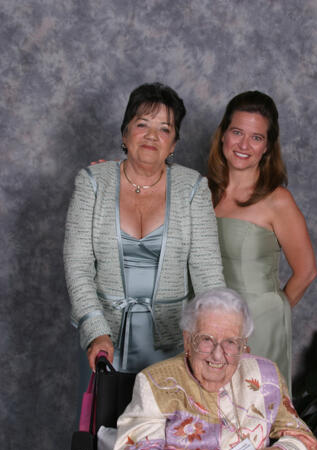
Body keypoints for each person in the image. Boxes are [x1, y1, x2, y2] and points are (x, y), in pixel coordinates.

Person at [113, 288, 317, 450]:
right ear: (188, 341)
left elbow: (302, 438)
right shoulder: (155, 381)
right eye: (206, 340)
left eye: (231, 342)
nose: (218, 355)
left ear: (244, 344)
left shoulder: (265, 377)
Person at [63, 82, 225, 389]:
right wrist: (95, 330)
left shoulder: (192, 188)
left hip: (172, 344)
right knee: (103, 428)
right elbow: (78, 266)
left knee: (167, 432)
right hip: (104, 343)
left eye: (165, 128)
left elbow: (208, 274)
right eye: (142, 124)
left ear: (174, 143)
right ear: (125, 134)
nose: (152, 136)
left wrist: (219, 332)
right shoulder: (92, 183)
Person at [208, 91, 317, 387]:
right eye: (237, 132)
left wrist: (266, 315)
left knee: (251, 416)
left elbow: (306, 271)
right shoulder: (202, 193)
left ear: (267, 147)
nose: (244, 145)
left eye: (256, 138)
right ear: (223, 135)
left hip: (256, 328)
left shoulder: (277, 200)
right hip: (207, 326)